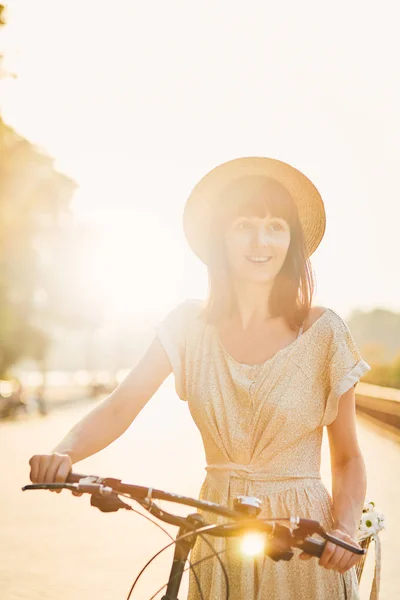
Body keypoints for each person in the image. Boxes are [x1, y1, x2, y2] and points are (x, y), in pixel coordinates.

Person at [29, 157, 370, 600]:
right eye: (244, 225)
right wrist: (63, 453)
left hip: (302, 541)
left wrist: (343, 527)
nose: (260, 240)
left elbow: (347, 458)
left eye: (275, 226)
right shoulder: (188, 325)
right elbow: (120, 405)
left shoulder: (324, 332)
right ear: (220, 237)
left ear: (291, 240)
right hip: (218, 527)